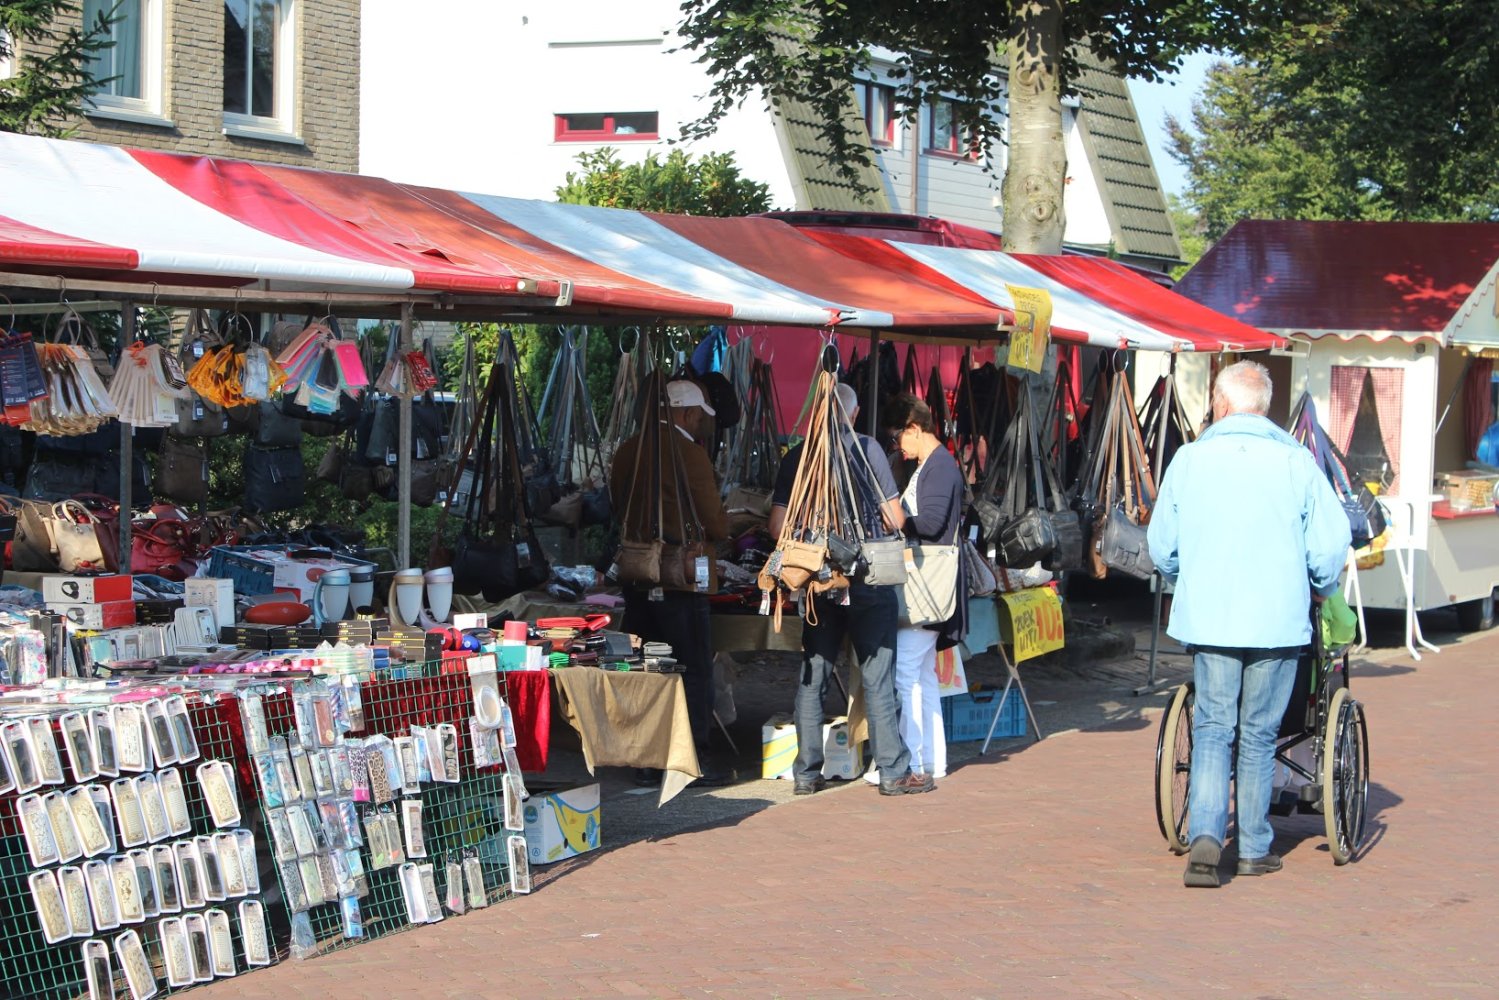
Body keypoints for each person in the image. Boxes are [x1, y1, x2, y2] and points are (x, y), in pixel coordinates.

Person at [1147, 361, 1351, 888]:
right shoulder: (1296, 462)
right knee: (1259, 733)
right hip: (1276, 621)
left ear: (1219, 403)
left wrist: (1188, 576)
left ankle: (1206, 836)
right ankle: (1255, 847)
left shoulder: (1189, 460)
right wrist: (1321, 585)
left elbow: (1162, 547)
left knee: (1214, 727)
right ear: (1264, 408)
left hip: (1212, 618)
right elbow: (1328, 547)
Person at [768, 383, 929, 796]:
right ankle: (892, 771)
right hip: (865, 578)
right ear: (853, 415)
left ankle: (806, 774)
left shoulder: (798, 458)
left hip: (818, 581)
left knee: (814, 677)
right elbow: (894, 519)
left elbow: (777, 527)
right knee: (878, 676)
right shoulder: (867, 449)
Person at [610, 379, 731, 785]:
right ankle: (691, 760)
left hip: (638, 574)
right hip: (680, 578)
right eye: (697, 417)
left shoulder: (628, 450)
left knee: (651, 668)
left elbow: (618, 505)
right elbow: (714, 521)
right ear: (686, 413)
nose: (699, 424)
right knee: (692, 670)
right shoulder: (690, 454)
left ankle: (646, 760)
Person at [885, 392, 967, 791]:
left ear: (915, 429)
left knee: (905, 671)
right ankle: (932, 760)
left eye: (898, 437)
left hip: (927, 582)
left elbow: (932, 523)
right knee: (921, 675)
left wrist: (899, 518)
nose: (898, 446)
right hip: (930, 582)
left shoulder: (940, 467)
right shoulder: (934, 465)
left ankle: (912, 762)